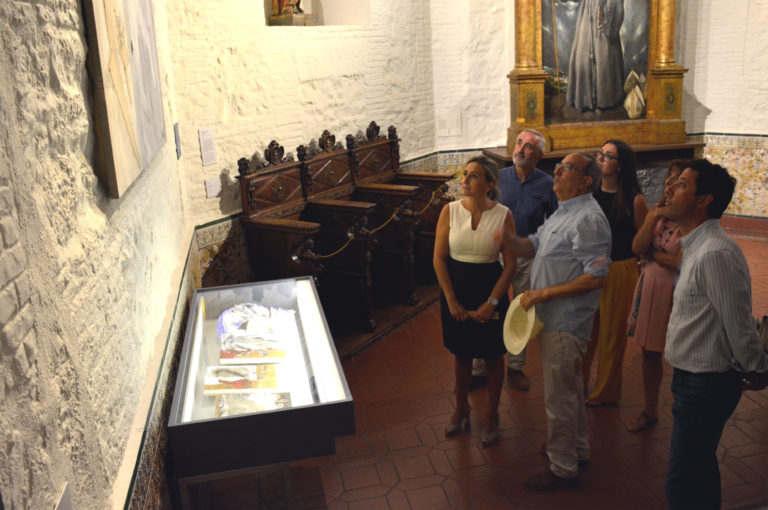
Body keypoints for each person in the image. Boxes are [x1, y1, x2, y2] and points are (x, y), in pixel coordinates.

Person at [660, 159, 768, 510]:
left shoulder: (714, 254)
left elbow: (739, 324)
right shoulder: (696, 245)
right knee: (699, 471)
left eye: (682, 185)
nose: (669, 189)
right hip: (692, 380)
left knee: (682, 482)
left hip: (705, 385)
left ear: (703, 201)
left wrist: (756, 367)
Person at [502, 152, 611, 491]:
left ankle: (563, 467)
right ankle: (577, 447)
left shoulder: (588, 218)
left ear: (586, 181)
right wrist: (508, 240)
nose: (557, 172)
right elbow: (536, 244)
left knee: (559, 397)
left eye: (566, 168)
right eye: (558, 167)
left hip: (565, 321)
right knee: (570, 388)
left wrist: (543, 293)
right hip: (552, 319)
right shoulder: (565, 211)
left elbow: (596, 276)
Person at [433, 156, 517, 447]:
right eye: (465, 174)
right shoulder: (450, 211)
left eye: (474, 176)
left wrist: (492, 302)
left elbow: (510, 265)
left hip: (489, 289)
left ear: (489, 184)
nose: (465, 180)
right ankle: (461, 409)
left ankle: (492, 414)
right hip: (457, 290)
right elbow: (439, 259)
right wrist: (451, 300)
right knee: (462, 354)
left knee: (493, 355)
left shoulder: (503, 215)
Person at [471, 129, 559, 392]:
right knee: (487, 306)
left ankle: (516, 367)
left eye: (528, 147)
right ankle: (479, 368)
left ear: (539, 156)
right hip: (495, 255)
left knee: (522, 310)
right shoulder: (498, 179)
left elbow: (555, 222)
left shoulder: (547, 184)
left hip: (527, 257)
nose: (520, 149)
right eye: (519, 143)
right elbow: (481, 210)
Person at [582, 139, 648, 406]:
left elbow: (644, 241)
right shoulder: (589, 193)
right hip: (590, 268)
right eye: (600, 153)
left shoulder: (634, 199)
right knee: (584, 332)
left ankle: (605, 393)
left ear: (621, 166)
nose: (600, 159)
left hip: (619, 269)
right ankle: (578, 385)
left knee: (612, 336)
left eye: (608, 156)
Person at [625, 161, 685, 432]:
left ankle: (685, 410)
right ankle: (649, 410)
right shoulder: (659, 216)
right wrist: (653, 216)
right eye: (669, 179)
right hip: (652, 287)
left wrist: (654, 256)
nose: (669, 185)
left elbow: (682, 262)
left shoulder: (692, 221)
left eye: (678, 180)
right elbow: (638, 247)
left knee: (682, 352)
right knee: (650, 352)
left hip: (678, 290)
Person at [566, 0, 625, 113]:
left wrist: (605, 17)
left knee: (605, 56)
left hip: (603, 12)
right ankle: (585, 100)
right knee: (583, 54)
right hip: (587, 16)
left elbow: (617, 5)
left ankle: (604, 101)